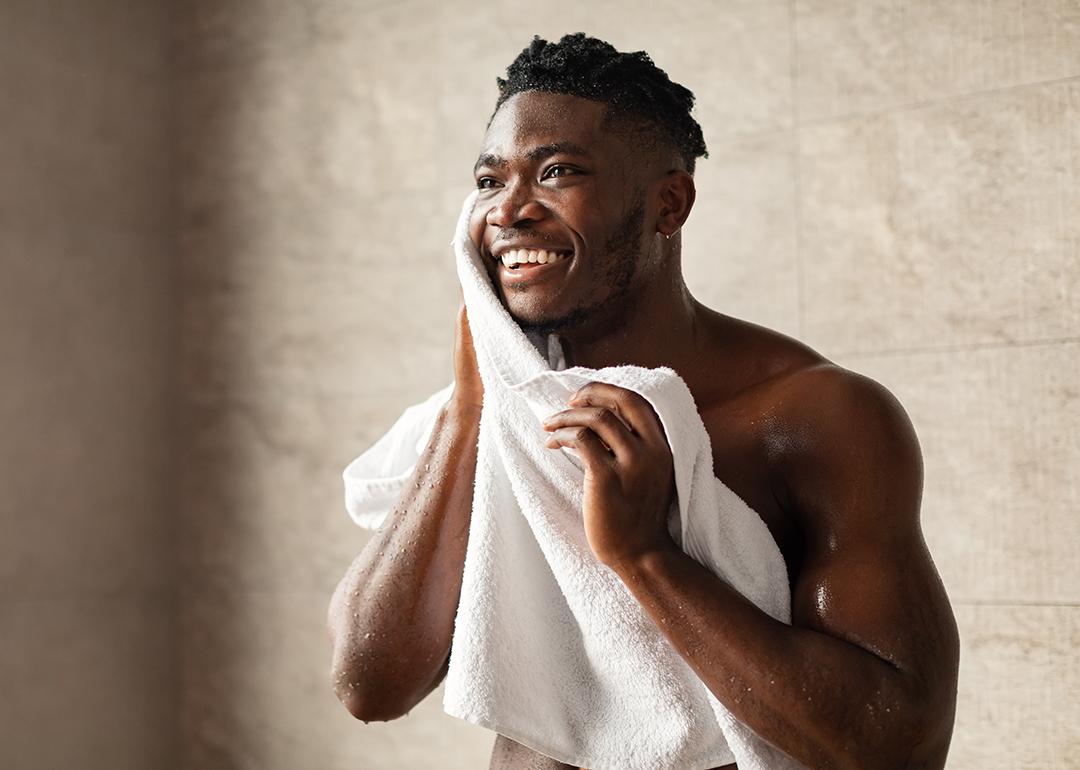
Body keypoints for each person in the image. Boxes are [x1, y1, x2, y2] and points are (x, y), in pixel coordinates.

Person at [327, 33, 959, 770]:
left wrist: (648, 557)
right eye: (491, 181)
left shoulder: (815, 419)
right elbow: (369, 686)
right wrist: (474, 408)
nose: (509, 211)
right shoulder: (488, 416)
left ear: (668, 203)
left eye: (557, 172)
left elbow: (895, 745)